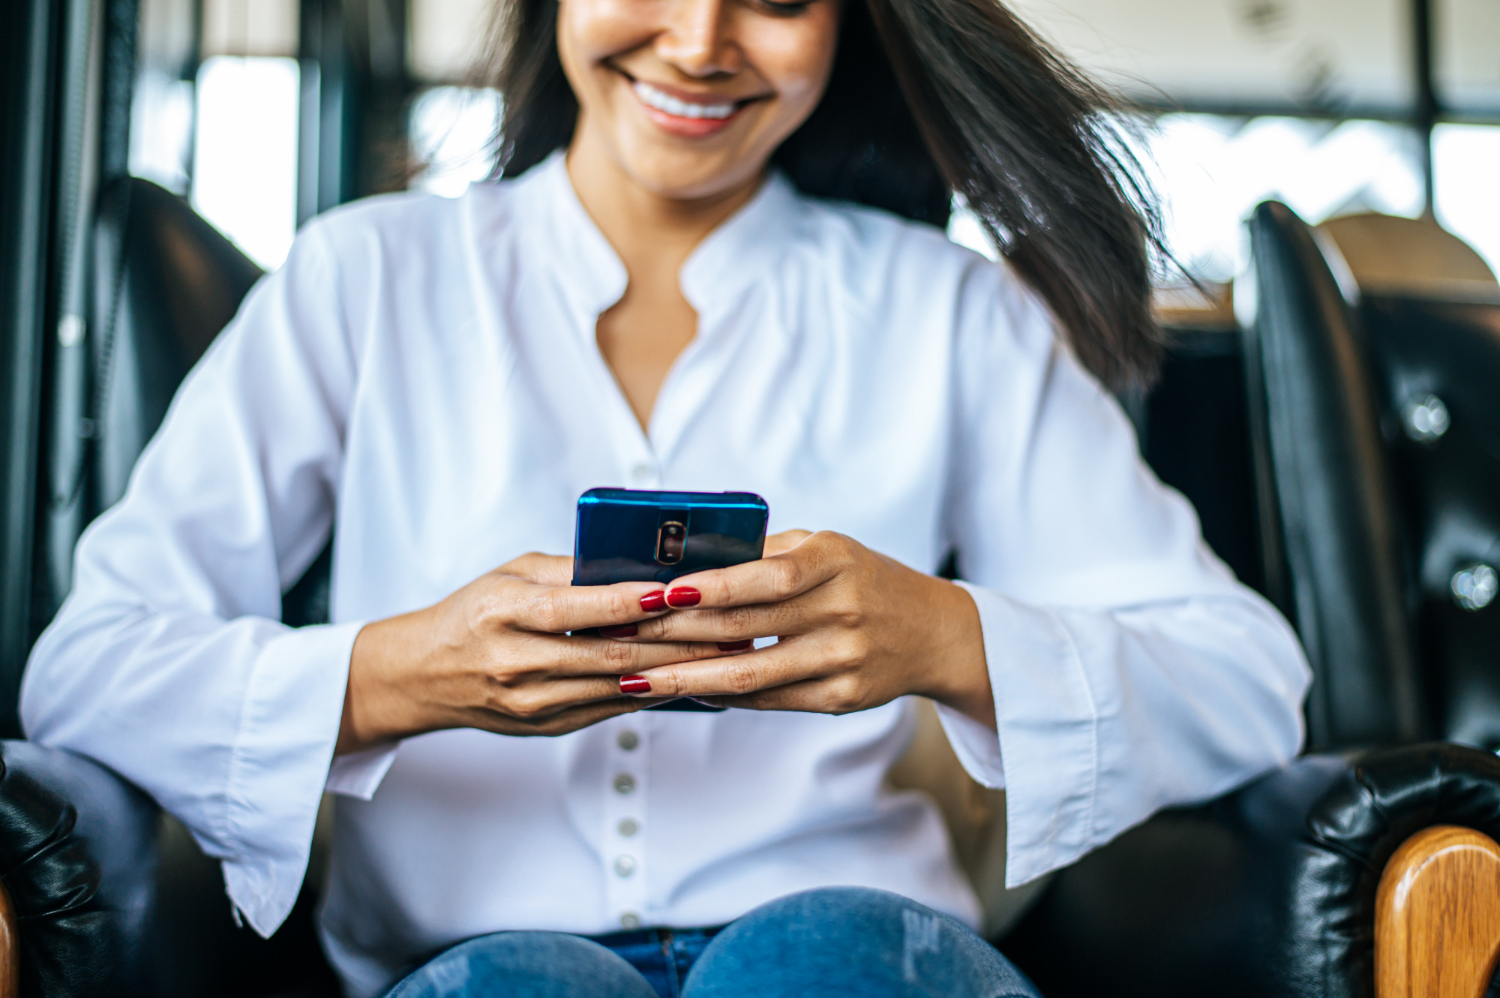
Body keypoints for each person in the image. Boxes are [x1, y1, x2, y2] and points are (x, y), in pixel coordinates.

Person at [20, 0, 1311, 990]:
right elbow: (89, 665)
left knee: (826, 959)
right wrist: (393, 676)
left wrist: (949, 640)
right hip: (473, 951)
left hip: (859, 944)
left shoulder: (948, 313)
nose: (700, 44)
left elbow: (1247, 679)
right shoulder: (364, 279)